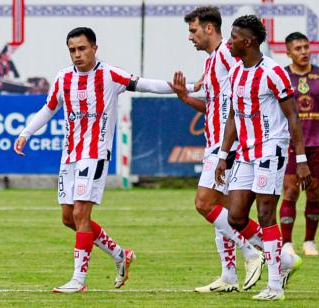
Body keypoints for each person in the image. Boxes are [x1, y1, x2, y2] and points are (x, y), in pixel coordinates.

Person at [13, 27, 196, 293]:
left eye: (82, 48)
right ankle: (120, 254)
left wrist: (188, 88)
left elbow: (145, 84)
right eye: (72, 50)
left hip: (95, 153)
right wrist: (26, 132)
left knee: (81, 213)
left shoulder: (110, 75)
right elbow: (49, 108)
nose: (77, 54)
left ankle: (78, 280)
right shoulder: (63, 78)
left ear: (94, 48)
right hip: (70, 155)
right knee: (68, 218)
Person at [214, 15, 311, 301]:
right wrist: (223, 155)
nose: (229, 42)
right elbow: (233, 115)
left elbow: (293, 115)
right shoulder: (235, 73)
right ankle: (283, 258)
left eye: (234, 37)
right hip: (244, 152)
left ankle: (275, 286)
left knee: (267, 213)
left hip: (271, 149)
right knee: (235, 217)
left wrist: (302, 159)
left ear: (250, 41)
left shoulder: (273, 71)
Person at [170, 6, 264, 293]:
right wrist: (186, 97)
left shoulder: (226, 54)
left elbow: (244, 90)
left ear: (210, 28)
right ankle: (230, 275)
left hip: (228, 145)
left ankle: (255, 252)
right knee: (221, 212)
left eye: (193, 30)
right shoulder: (212, 62)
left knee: (204, 204)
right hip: (217, 143)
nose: (190, 37)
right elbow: (212, 104)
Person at [279, 32, 319, 256]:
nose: (303, 52)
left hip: (318, 143)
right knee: (291, 191)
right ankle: (286, 243)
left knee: (313, 193)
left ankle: (310, 241)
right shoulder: (282, 76)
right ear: (288, 52)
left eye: (306, 47)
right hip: (291, 144)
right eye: (298, 48)